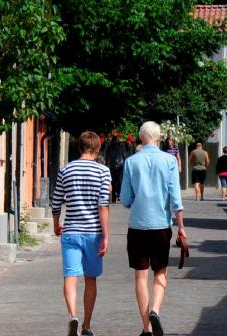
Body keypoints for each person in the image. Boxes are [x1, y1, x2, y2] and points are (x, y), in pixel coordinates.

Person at [120, 121, 187, 336]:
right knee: (160, 271)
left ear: (141, 138)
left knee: (140, 277)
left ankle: (146, 328)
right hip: (161, 226)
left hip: (138, 226)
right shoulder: (168, 161)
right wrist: (182, 228)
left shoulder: (131, 162)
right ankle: (156, 311)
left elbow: (125, 199)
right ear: (158, 138)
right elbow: (176, 200)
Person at [51, 131, 111, 336]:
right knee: (90, 279)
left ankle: (72, 315)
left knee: (70, 276)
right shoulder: (103, 172)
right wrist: (106, 235)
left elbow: (56, 200)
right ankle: (86, 325)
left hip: (71, 231)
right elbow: (103, 205)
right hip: (92, 233)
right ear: (97, 148)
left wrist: (56, 224)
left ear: (79, 147)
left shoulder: (65, 169)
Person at [106, 135, 125, 203]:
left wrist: (124, 164)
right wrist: (107, 166)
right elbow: (107, 158)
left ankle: (119, 195)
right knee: (113, 182)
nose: (117, 141)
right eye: (116, 140)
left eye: (118, 140)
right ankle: (113, 197)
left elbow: (123, 156)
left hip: (120, 166)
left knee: (120, 181)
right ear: (113, 141)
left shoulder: (121, 147)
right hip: (112, 167)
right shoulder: (110, 148)